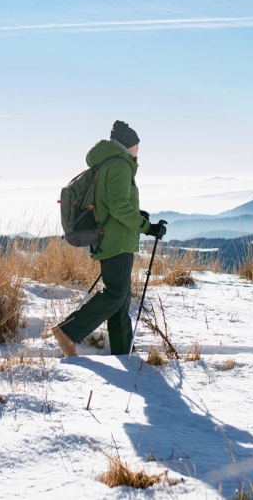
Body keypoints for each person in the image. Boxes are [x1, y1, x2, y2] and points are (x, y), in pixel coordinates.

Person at [52, 121, 166, 357]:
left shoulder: (107, 163)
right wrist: (147, 227)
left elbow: (111, 203)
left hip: (111, 238)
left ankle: (123, 350)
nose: (138, 150)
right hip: (117, 240)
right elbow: (118, 207)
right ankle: (68, 331)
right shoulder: (119, 164)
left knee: (120, 298)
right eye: (136, 145)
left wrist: (138, 215)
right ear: (128, 144)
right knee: (116, 294)